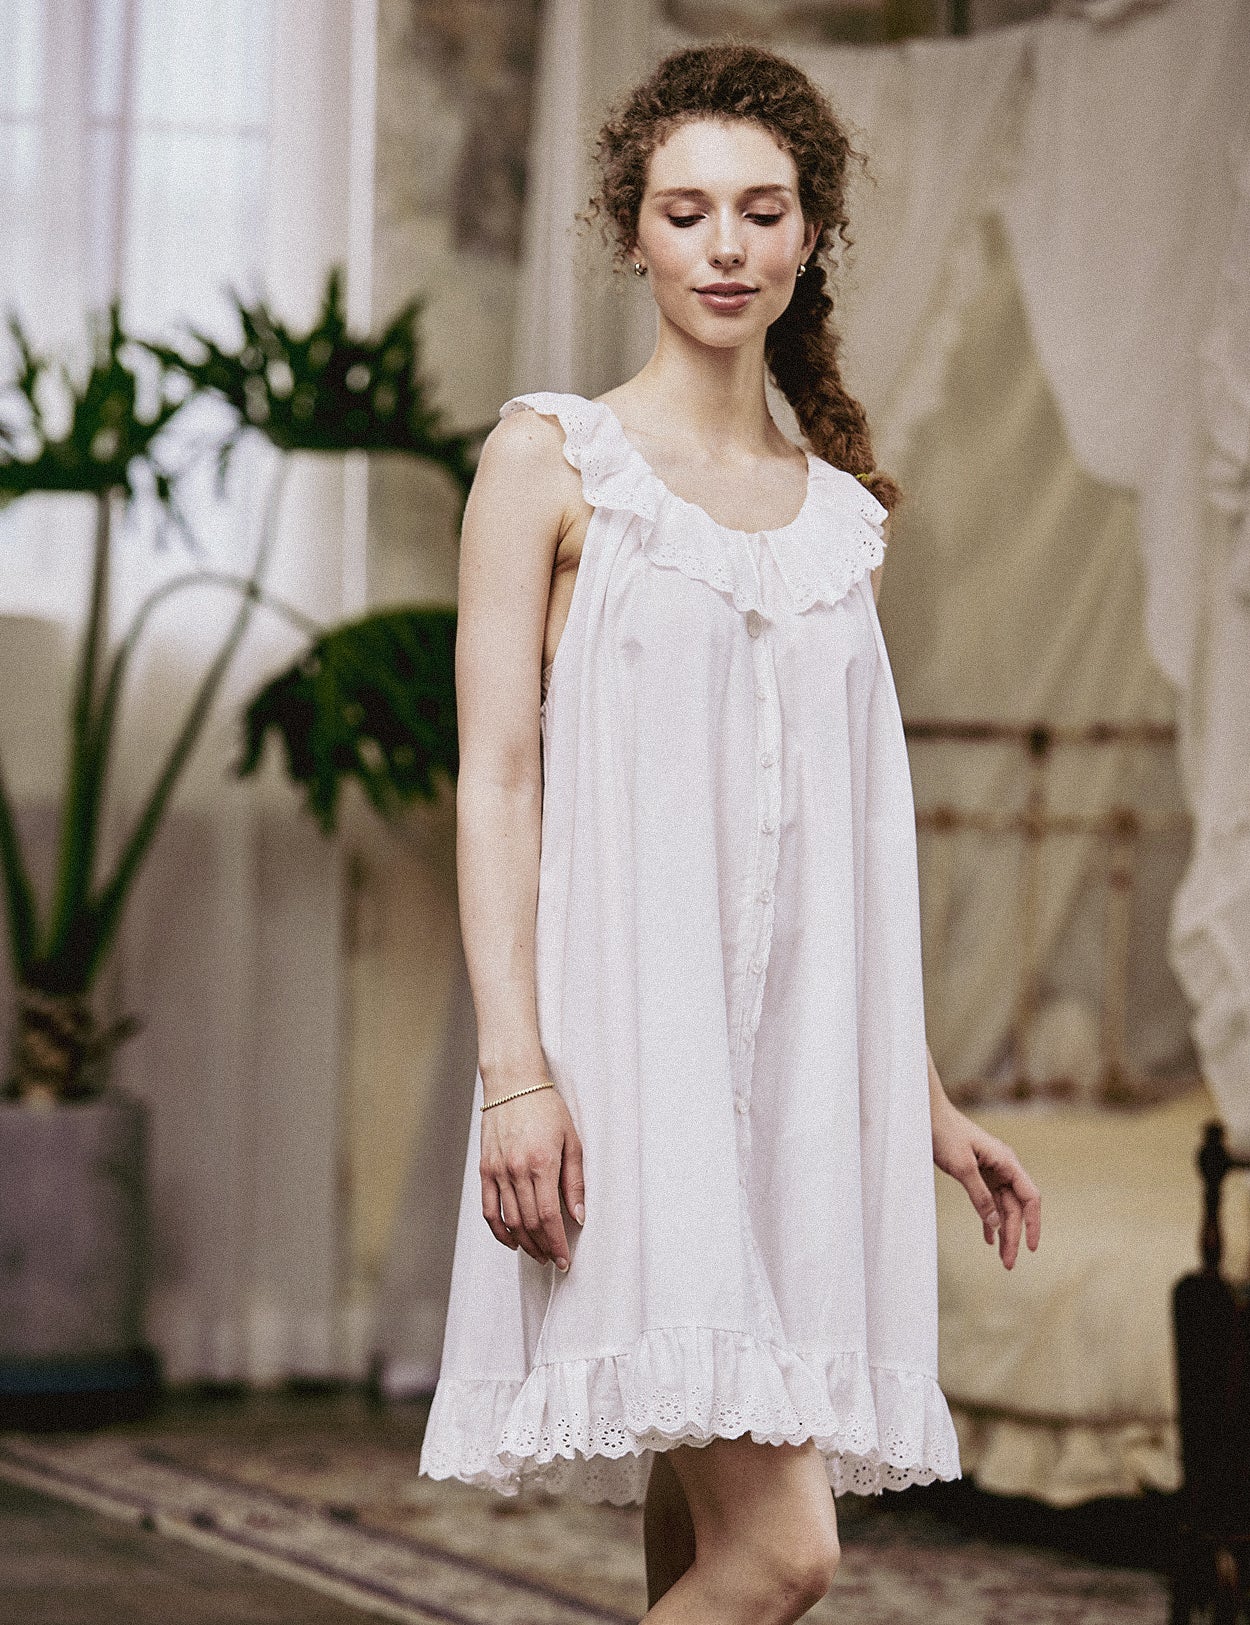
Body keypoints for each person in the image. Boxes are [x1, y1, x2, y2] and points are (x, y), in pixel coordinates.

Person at [418, 40, 1041, 1625]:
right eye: (685, 210)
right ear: (630, 230)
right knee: (783, 1552)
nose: (723, 244)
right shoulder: (549, 463)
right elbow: (494, 778)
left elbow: (825, 852)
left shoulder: (839, 517)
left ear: (807, 235)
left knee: (700, 1528)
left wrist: (918, 1098)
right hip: (627, 1073)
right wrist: (517, 1077)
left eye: (761, 211)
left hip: (793, 1089)